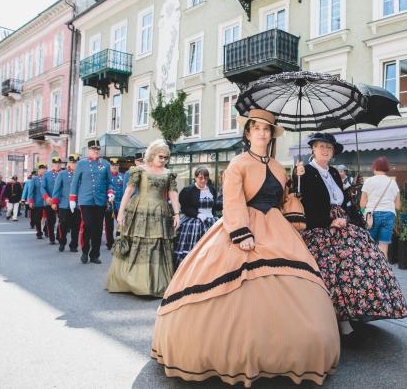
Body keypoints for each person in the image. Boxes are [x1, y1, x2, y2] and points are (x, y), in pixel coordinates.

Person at [151, 109, 340, 387]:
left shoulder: (278, 166)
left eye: (267, 130)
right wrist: (241, 233)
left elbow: (283, 200)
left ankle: (292, 352)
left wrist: (296, 190)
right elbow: (233, 201)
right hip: (243, 227)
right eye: (257, 129)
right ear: (249, 133)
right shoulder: (238, 164)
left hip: (276, 230)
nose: (262, 133)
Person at [299, 133, 407, 344]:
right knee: (336, 269)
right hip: (321, 228)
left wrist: (353, 197)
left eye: (329, 148)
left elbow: (341, 202)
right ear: (313, 148)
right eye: (321, 146)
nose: (325, 150)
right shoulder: (305, 172)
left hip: (344, 225)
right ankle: (343, 324)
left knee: (366, 262)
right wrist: (328, 222)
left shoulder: (332, 172)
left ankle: (358, 311)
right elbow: (307, 205)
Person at [106, 140, 179, 296]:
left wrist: (177, 213)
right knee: (136, 244)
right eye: (161, 157)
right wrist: (120, 213)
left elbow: (173, 193)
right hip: (139, 210)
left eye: (166, 158)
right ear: (152, 155)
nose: (163, 160)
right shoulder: (139, 170)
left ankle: (153, 284)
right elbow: (128, 191)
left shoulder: (168, 173)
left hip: (160, 212)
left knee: (157, 245)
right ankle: (131, 281)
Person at [69, 140, 115, 264]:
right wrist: (72, 199)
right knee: (88, 226)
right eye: (94, 149)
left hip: (100, 201)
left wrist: (110, 191)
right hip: (86, 200)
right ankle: (85, 251)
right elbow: (75, 182)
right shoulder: (82, 164)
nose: (96, 151)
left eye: (97, 149)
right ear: (89, 150)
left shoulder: (105, 164)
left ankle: (95, 254)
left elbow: (110, 181)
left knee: (98, 229)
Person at [173, 167, 219, 266]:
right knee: (193, 248)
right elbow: (184, 208)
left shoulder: (211, 189)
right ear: (195, 178)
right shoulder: (188, 190)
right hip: (194, 222)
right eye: (200, 178)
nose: (203, 181)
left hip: (211, 221)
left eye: (206, 178)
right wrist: (198, 214)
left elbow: (214, 205)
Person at [360, 157, 401, 258]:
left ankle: (371, 271)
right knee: (383, 247)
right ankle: (384, 272)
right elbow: (398, 206)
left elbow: (362, 204)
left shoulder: (368, 181)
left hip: (371, 216)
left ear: (374, 167)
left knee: (369, 246)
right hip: (389, 214)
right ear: (386, 168)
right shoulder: (393, 182)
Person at [51, 154, 81, 252]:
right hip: (64, 204)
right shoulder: (62, 174)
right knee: (63, 225)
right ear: (69, 163)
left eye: (76, 162)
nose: (74, 164)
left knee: (76, 226)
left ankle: (74, 245)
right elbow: (57, 189)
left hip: (77, 204)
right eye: (72, 162)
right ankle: (62, 242)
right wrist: (54, 202)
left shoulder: (80, 173)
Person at [104, 158, 124, 250]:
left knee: (121, 224)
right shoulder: (106, 177)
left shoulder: (122, 177)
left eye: (116, 165)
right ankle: (110, 242)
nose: (115, 167)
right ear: (110, 166)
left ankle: (119, 240)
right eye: (113, 165)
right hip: (109, 205)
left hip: (120, 205)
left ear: (118, 166)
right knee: (109, 225)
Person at [41, 157, 61, 244]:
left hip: (61, 201)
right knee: (51, 221)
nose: (57, 165)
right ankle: (51, 238)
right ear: (52, 164)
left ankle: (59, 236)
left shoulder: (63, 173)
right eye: (55, 163)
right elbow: (42, 188)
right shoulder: (46, 174)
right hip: (49, 201)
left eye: (58, 163)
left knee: (62, 220)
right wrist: (46, 197)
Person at [28, 165, 47, 239]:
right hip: (37, 202)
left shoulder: (47, 178)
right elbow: (31, 191)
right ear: (39, 170)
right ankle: (39, 232)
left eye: (45, 169)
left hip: (47, 201)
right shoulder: (34, 179)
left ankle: (46, 229)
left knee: (49, 218)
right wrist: (31, 201)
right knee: (37, 218)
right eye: (42, 169)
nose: (43, 170)